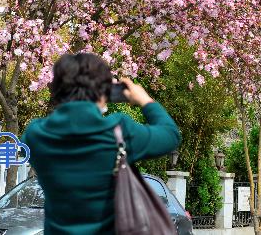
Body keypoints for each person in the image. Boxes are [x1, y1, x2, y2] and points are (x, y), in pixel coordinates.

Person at [21, 52, 181, 234]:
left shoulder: (35, 135)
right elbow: (171, 135)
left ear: (57, 88)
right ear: (105, 91)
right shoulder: (118, 131)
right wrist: (145, 100)